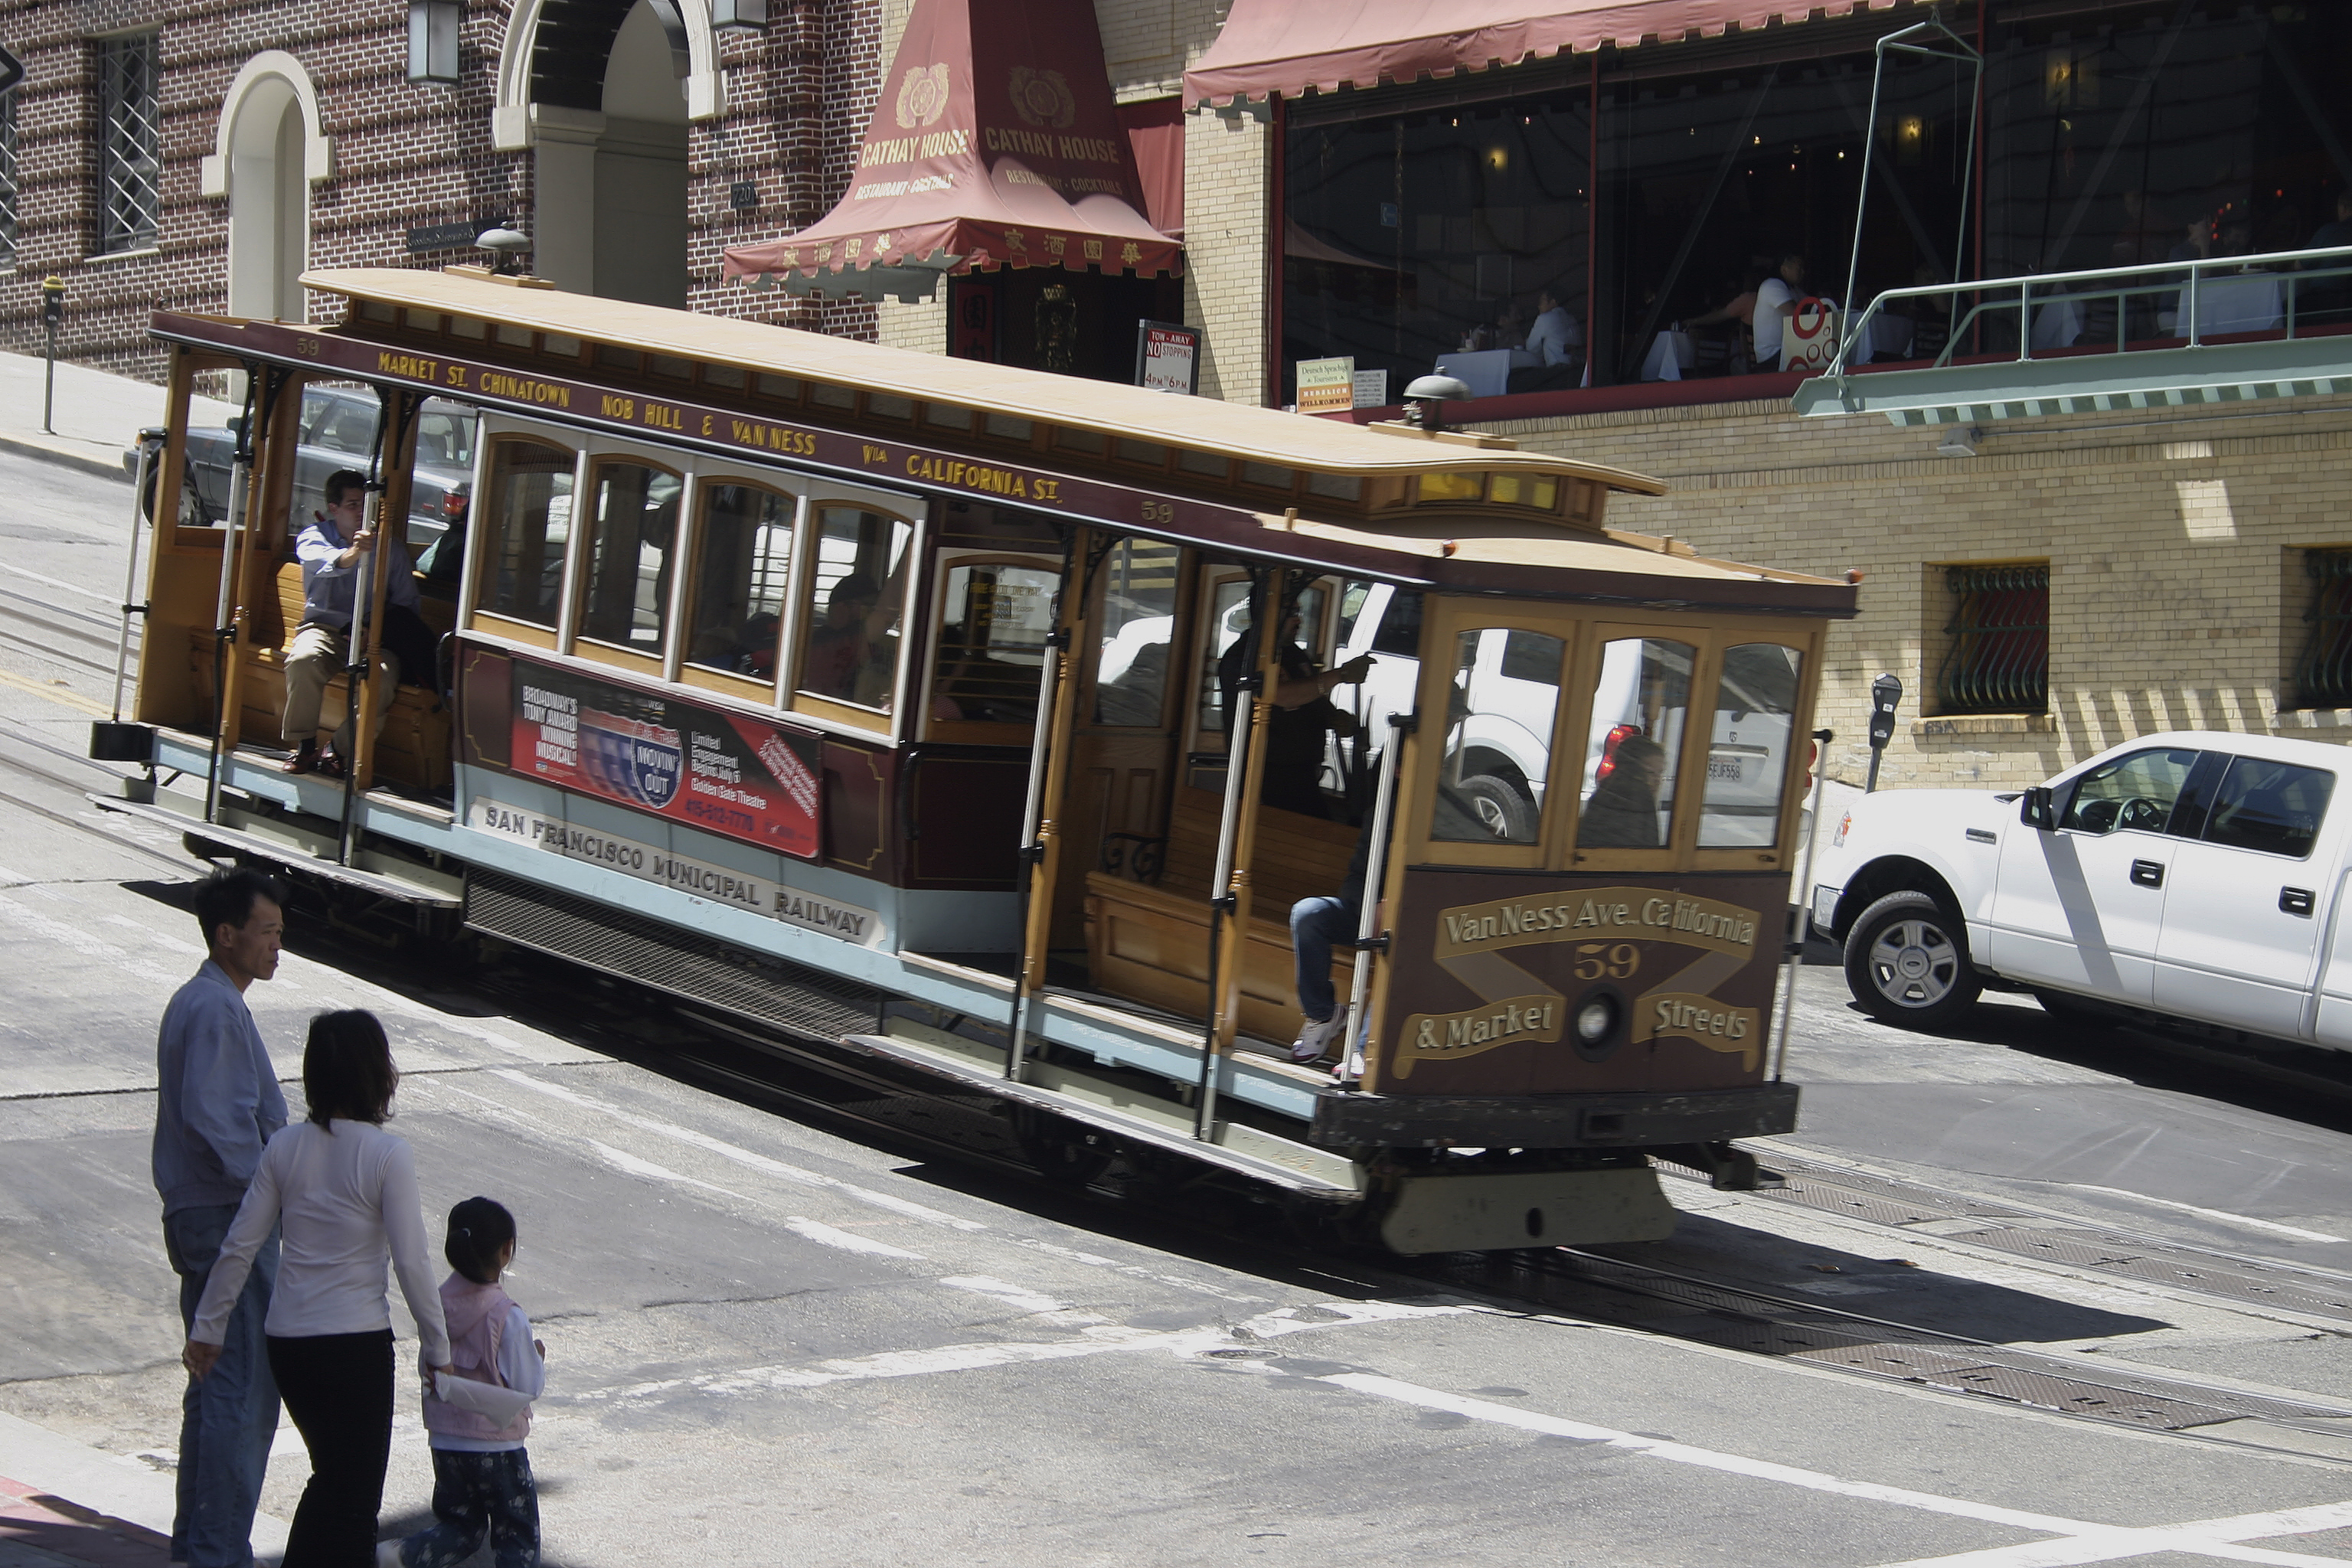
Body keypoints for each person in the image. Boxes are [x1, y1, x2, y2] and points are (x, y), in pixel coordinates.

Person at [186, 1011, 453, 1568]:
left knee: (332, 1482)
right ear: (377, 1075)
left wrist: (209, 1328)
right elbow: (412, 1260)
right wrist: (438, 1346)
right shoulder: (387, 1155)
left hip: (290, 1345)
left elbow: (241, 1244)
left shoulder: (285, 1146)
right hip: (355, 1347)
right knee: (353, 1502)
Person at [156, 867, 290, 1568]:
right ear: (226, 935)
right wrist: (267, 1196)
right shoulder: (212, 1008)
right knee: (239, 1390)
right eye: (266, 933)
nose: (276, 947)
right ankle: (214, 1550)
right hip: (226, 1219)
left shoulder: (213, 1003)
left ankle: (199, 1545)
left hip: (209, 1217)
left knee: (216, 1387)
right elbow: (218, 1122)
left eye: (279, 933)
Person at [382, 1197, 545, 1568]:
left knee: (461, 1528)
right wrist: (537, 1356)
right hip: (498, 1448)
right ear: (506, 1251)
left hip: (446, 1441)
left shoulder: (436, 1305)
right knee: (516, 1538)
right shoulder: (507, 1315)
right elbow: (527, 1386)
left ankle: (401, 1555)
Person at [283, 469, 422, 778]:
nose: (361, 513)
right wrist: (357, 552)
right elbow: (329, 565)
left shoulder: (392, 549)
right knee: (303, 661)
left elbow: (406, 603)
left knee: (382, 679)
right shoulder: (314, 536)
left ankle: (339, 750)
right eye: (353, 505)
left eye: (367, 505)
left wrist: (378, 629)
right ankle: (304, 744)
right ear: (334, 508)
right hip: (325, 629)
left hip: (372, 636)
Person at [1216, 606, 1373, 818]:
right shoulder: (1243, 658)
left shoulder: (1292, 653)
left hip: (1302, 770)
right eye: (1292, 614)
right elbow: (1281, 696)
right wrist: (1340, 675)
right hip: (1266, 772)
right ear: (1271, 616)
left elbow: (1309, 694)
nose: (1299, 621)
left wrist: (1333, 717)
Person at [1288, 827, 1374, 1063]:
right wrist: (1370, 908)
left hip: (1411, 919)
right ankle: (1323, 1015)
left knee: (1410, 938)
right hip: (1366, 911)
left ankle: (1366, 1050)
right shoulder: (1383, 812)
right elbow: (1357, 875)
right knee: (1308, 913)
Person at [800, 572, 893, 708]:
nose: (871, 613)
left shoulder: (860, 638)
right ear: (842, 607)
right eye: (867, 606)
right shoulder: (822, 646)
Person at [1576, 733, 1669, 848]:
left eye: (1660, 773)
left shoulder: (1606, 791)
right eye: (1649, 772)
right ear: (1631, 770)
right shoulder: (1636, 799)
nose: (1657, 781)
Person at [1749, 253, 1808, 371]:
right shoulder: (1772, 285)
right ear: (1784, 269)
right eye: (1799, 268)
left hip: (1783, 351)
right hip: (1772, 353)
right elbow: (1797, 314)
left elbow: (1813, 304)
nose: (1803, 272)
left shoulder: (1792, 289)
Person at [1523, 286, 1583, 368]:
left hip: (1557, 370)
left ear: (1553, 302)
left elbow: (1531, 347)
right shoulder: (1572, 319)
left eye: (1542, 301)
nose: (1539, 306)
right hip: (1576, 367)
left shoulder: (1545, 318)